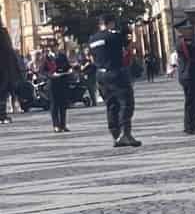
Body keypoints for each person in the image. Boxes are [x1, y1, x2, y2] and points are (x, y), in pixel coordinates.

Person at [83, 17, 139, 148]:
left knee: (111, 105)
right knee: (126, 103)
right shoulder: (113, 36)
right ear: (110, 23)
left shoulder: (92, 39)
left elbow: (91, 56)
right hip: (116, 72)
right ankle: (126, 134)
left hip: (100, 74)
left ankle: (115, 135)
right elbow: (126, 44)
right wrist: (126, 32)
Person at [44, 45, 71, 132]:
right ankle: (56, 125)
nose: (53, 49)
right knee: (54, 105)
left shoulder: (62, 56)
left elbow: (68, 66)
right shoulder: (46, 58)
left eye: (54, 46)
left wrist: (69, 70)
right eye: (51, 47)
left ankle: (63, 125)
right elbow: (43, 71)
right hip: (52, 83)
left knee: (63, 104)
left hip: (62, 82)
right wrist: (50, 75)